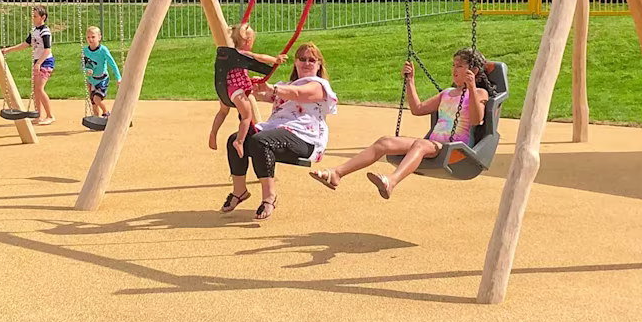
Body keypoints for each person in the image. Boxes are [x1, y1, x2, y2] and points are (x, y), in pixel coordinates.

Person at [309, 48, 491, 200]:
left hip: (456, 150)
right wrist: (410, 81)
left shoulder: (480, 93)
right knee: (385, 142)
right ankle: (337, 174)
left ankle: (391, 182)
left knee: (420, 144)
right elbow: (418, 109)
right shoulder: (447, 93)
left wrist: (472, 88)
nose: (454, 70)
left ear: (473, 71)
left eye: (459, 66)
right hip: (433, 145)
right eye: (453, 65)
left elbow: (476, 120)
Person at [221, 42, 336, 221]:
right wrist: (241, 86)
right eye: (302, 59)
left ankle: (269, 197)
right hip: (276, 131)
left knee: (260, 141)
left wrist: (273, 88)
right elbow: (260, 94)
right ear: (295, 63)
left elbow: (298, 94)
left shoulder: (319, 86)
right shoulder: (286, 85)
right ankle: (239, 191)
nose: (307, 63)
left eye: (312, 60)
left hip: (304, 138)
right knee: (235, 139)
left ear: (319, 64)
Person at [210, 23, 287, 157]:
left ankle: (213, 132)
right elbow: (260, 57)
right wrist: (276, 59)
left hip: (224, 88)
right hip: (236, 91)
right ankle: (239, 141)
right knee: (247, 116)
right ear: (248, 41)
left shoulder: (229, 54)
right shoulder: (245, 54)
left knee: (223, 111)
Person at [1, 5, 55, 125]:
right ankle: (39, 115)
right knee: (36, 90)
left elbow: (47, 49)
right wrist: (8, 50)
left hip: (45, 61)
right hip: (37, 62)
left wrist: (39, 63)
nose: (33, 18)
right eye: (32, 16)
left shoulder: (45, 31)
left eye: (35, 16)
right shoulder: (34, 31)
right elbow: (25, 44)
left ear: (43, 17)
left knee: (40, 88)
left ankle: (50, 115)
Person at [79, 26, 120, 119]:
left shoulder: (103, 50)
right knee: (94, 104)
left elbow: (112, 63)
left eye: (93, 37)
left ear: (99, 37)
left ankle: (106, 113)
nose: (90, 39)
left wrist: (118, 78)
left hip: (102, 79)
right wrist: (86, 70)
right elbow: (82, 66)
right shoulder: (85, 51)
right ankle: (96, 120)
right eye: (88, 37)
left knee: (97, 99)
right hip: (92, 80)